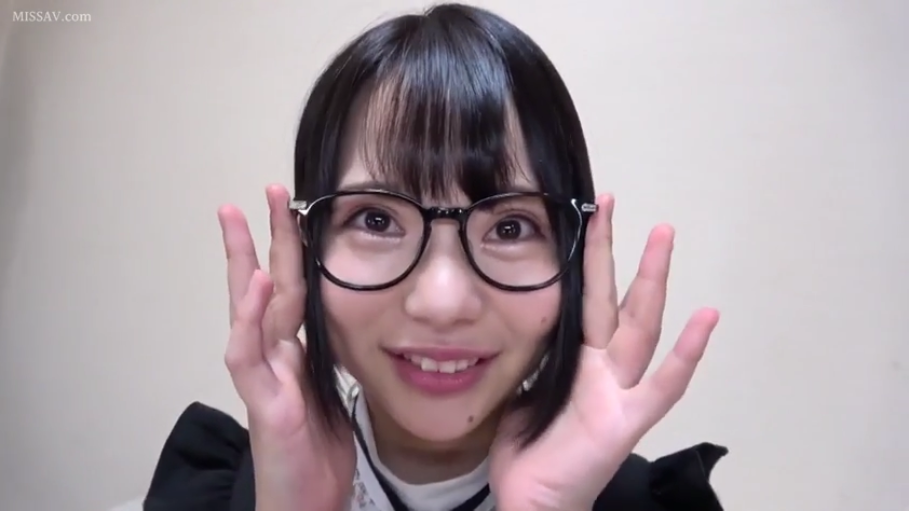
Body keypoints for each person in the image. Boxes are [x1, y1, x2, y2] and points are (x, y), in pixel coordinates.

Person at [142, 3, 727, 510]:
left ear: (575, 258)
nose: (442, 303)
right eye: (376, 220)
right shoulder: (219, 489)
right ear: (303, 250)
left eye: (511, 227)